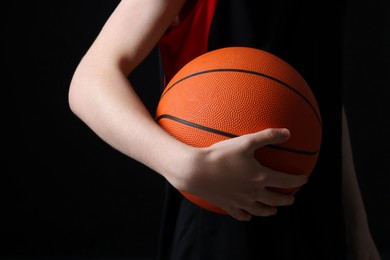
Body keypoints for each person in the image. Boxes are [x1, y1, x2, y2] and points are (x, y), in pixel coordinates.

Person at [68, 0, 381, 259]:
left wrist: (357, 227)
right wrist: (182, 165)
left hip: (318, 220)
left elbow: (316, 98)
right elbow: (90, 79)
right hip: (222, 218)